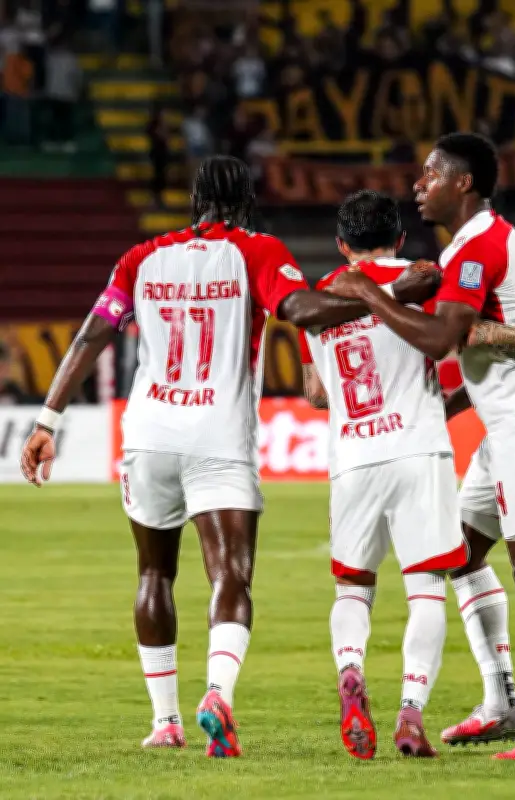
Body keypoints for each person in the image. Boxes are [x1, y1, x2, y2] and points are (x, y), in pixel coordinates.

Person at [19, 156, 441, 756]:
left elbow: (92, 333)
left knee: (153, 574)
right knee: (230, 576)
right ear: (246, 202)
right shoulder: (257, 252)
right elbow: (303, 312)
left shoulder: (140, 258)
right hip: (218, 435)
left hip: (148, 432)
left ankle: (165, 723)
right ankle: (218, 693)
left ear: (194, 201)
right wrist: (393, 292)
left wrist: (47, 419)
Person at [330, 133, 515, 761]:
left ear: (463, 183)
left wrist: (368, 291)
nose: (419, 184)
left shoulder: (478, 246)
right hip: (505, 423)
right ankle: (502, 703)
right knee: (462, 556)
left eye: (431, 174)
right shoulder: (469, 247)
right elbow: (480, 345)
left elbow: (443, 340)